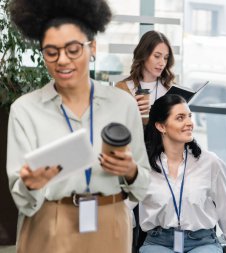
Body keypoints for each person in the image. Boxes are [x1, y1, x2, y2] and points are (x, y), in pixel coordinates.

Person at [7, 0, 150, 252]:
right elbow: (22, 197)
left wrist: (130, 171)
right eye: (51, 52)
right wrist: (31, 183)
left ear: (92, 47)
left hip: (110, 221)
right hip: (48, 219)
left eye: (73, 49)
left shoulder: (123, 104)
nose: (62, 60)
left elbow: (144, 185)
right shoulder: (25, 109)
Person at [139, 94, 226, 253]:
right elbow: (124, 209)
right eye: (180, 118)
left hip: (202, 243)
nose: (189, 123)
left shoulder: (210, 162)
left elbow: (225, 207)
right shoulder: (144, 165)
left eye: (189, 116)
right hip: (158, 242)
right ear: (161, 126)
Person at [116, 30, 175, 122]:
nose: (162, 63)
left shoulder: (171, 89)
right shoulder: (122, 88)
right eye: (157, 56)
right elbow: (115, 125)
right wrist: (131, 109)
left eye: (166, 58)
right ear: (143, 55)